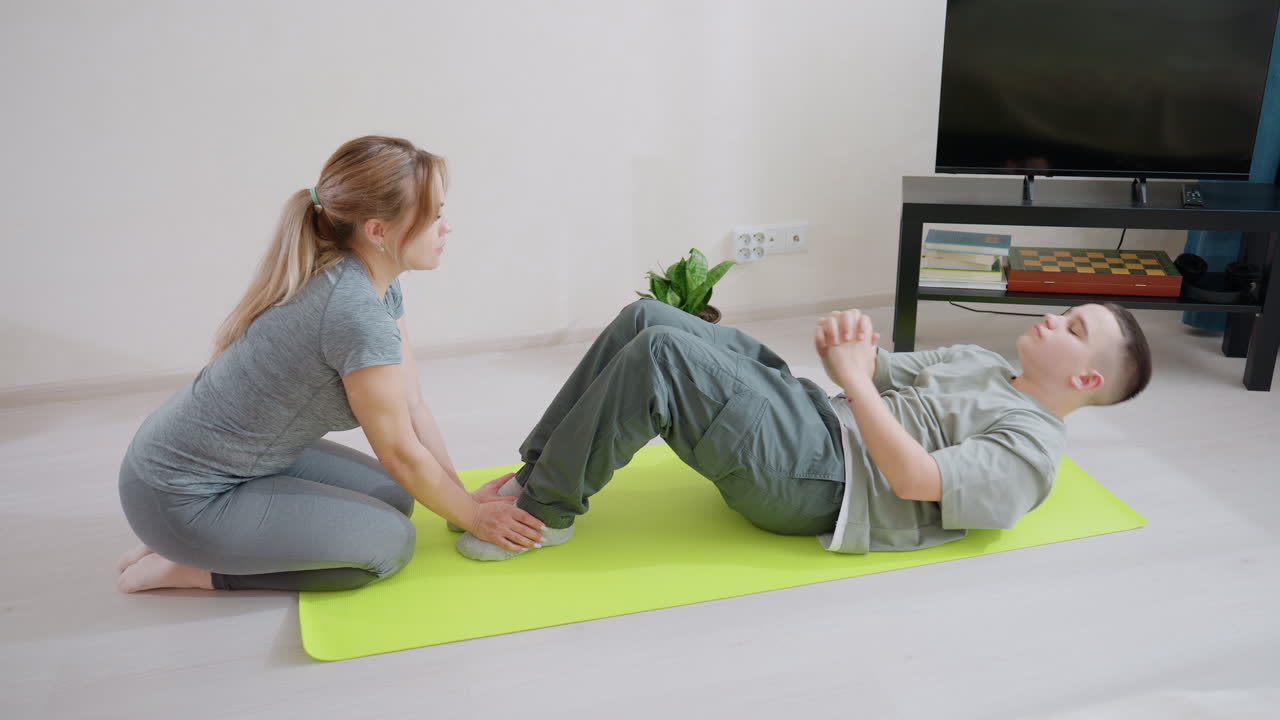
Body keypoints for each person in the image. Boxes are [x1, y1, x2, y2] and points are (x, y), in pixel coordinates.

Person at [116, 136, 545, 593]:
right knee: (389, 545)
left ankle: (203, 541)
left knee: (398, 497)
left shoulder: (372, 279)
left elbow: (413, 403)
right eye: (434, 215)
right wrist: (474, 518)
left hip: (219, 463)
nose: (447, 227)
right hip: (181, 496)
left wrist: (461, 500)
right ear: (379, 231)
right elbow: (398, 451)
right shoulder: (354, 312)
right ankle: (187, 566)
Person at [454, 298, 1151, 560]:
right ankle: (536, 473)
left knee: (661, 360)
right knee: (650, 319)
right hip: (817, 419)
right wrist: (846, 346)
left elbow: (914, 479)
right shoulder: (982, 361)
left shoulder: (1030, 453)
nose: (1054, 319)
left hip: (824, 483)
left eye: (1074, 328)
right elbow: (873, 371)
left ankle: (544, 515)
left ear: (1086, 381)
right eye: (1066, 312)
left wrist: (850, 377)